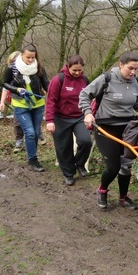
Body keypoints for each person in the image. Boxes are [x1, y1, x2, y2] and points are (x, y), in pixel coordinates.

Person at [79, 51, 138, 210]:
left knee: (126, 165)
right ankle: (102, 190)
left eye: (136, 69)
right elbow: (84, 95)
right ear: (121, 65)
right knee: (113, 166)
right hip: (105, 127)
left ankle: (123, 197)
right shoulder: (106, 79)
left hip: (128, 128)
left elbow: (136, 102)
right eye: (130, 68)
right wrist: (88, 113)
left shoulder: (136, 81)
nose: (133, 72)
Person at [45, 55, 93, 186]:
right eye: (74, 70)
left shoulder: (85, 80)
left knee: (85, 141)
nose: (77, 73)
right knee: (64, 147)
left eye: (80, 70)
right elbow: (50, 101)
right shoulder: (58, 79)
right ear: (68, 67)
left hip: (79, 117)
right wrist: (49, 120)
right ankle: (68, 174)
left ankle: (80, 163)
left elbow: (90, 99)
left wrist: (91, 113)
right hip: (60, 117)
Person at [2, 44, 50, 172]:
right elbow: (4, 83)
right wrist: (16, 89)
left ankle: (33, 157)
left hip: (38, 104)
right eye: (28, 57)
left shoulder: (39, 68)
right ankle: (33, 160)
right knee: (29, 132)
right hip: (20, 104)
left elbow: (47, 84)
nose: (30, 60)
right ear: (22, 55)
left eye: (32, 57)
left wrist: (54, 96)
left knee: (35, 133)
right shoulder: (12, 68)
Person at [0, 51, 24, 152]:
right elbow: (5, 87)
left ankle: (37, 138)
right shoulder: (10, 72)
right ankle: (19, 141)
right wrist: (2, 102)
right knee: (17, 121)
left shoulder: (29, 70)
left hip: (30, 100)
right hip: (16, 99)